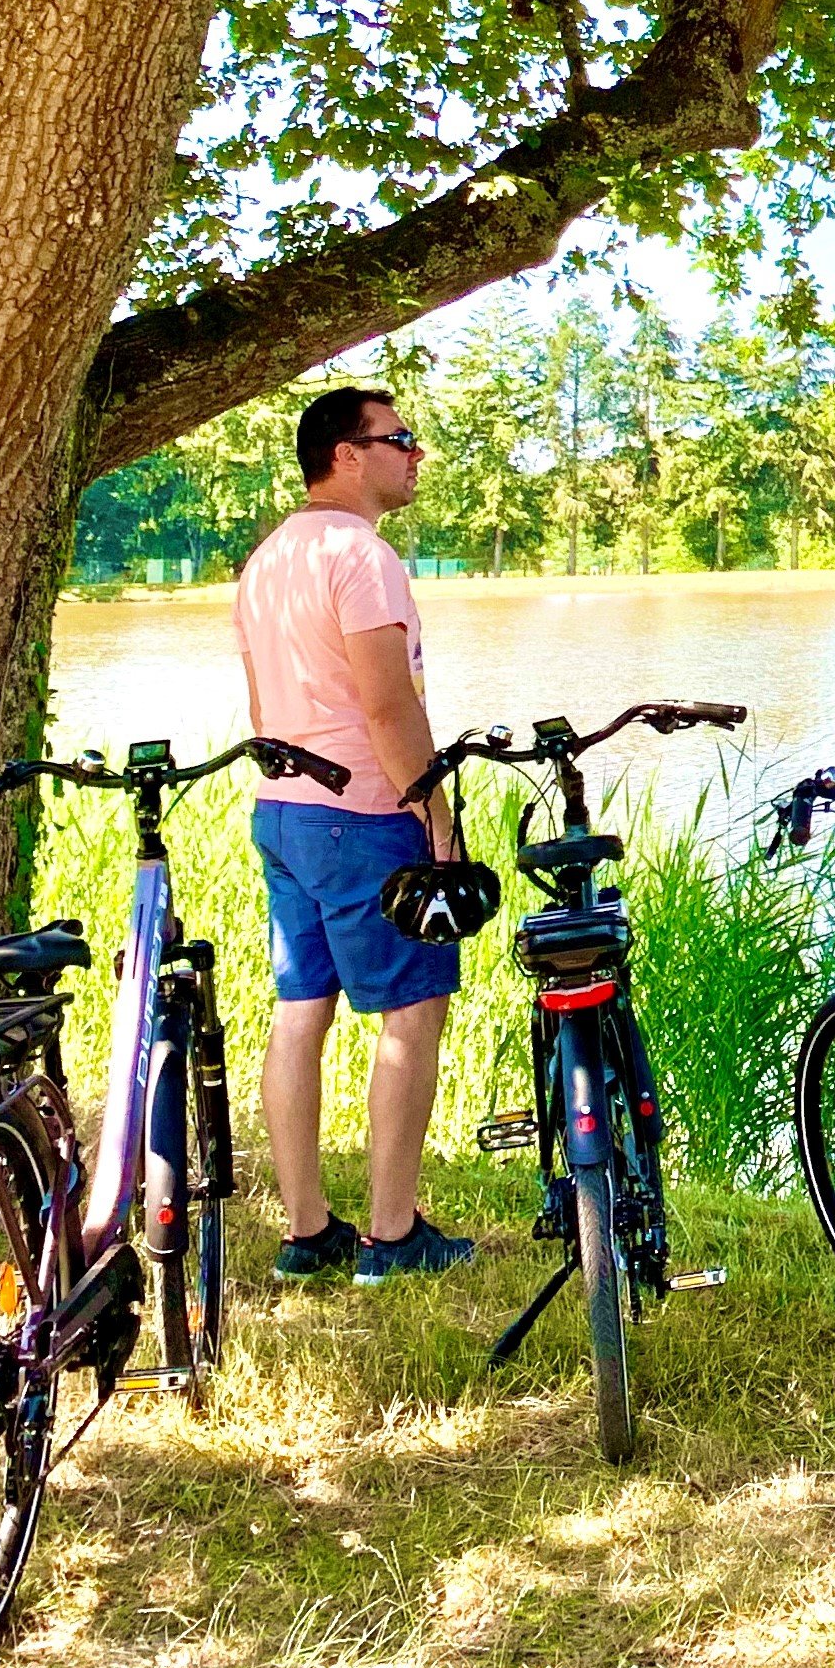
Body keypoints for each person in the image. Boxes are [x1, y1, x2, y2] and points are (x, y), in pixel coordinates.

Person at [235, 383, 476, 1284]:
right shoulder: (361, 555)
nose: (415, 455)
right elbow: (388, 703)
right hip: (365, 813)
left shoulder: (268, 559)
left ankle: (307, 1230)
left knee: (301, 1012)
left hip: (284, 810)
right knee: (411, 1014)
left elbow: (262, 706)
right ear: (346, 453)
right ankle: (390, 1233)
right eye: (399, 439)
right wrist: (435, 816)